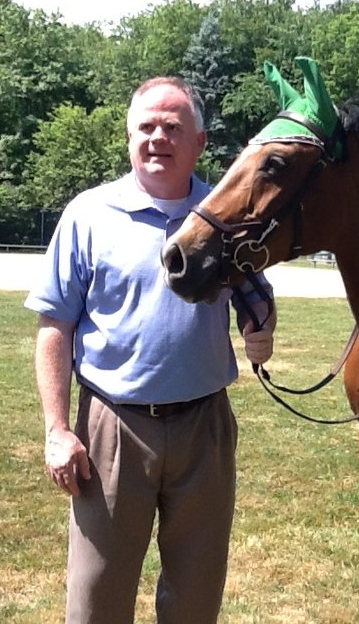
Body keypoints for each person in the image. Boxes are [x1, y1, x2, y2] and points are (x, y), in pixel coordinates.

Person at [24, 76, 275, 623]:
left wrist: (261, 325)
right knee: (97, 600)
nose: (158, 137)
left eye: (173, 127)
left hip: (204, 428)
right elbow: (54, 327)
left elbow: (256, 297)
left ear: (199, 143)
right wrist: (57, 428)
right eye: (147, 126)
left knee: (195, 598)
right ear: (129, 136)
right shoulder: (89, 215)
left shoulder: (224, 218)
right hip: (112, 430)